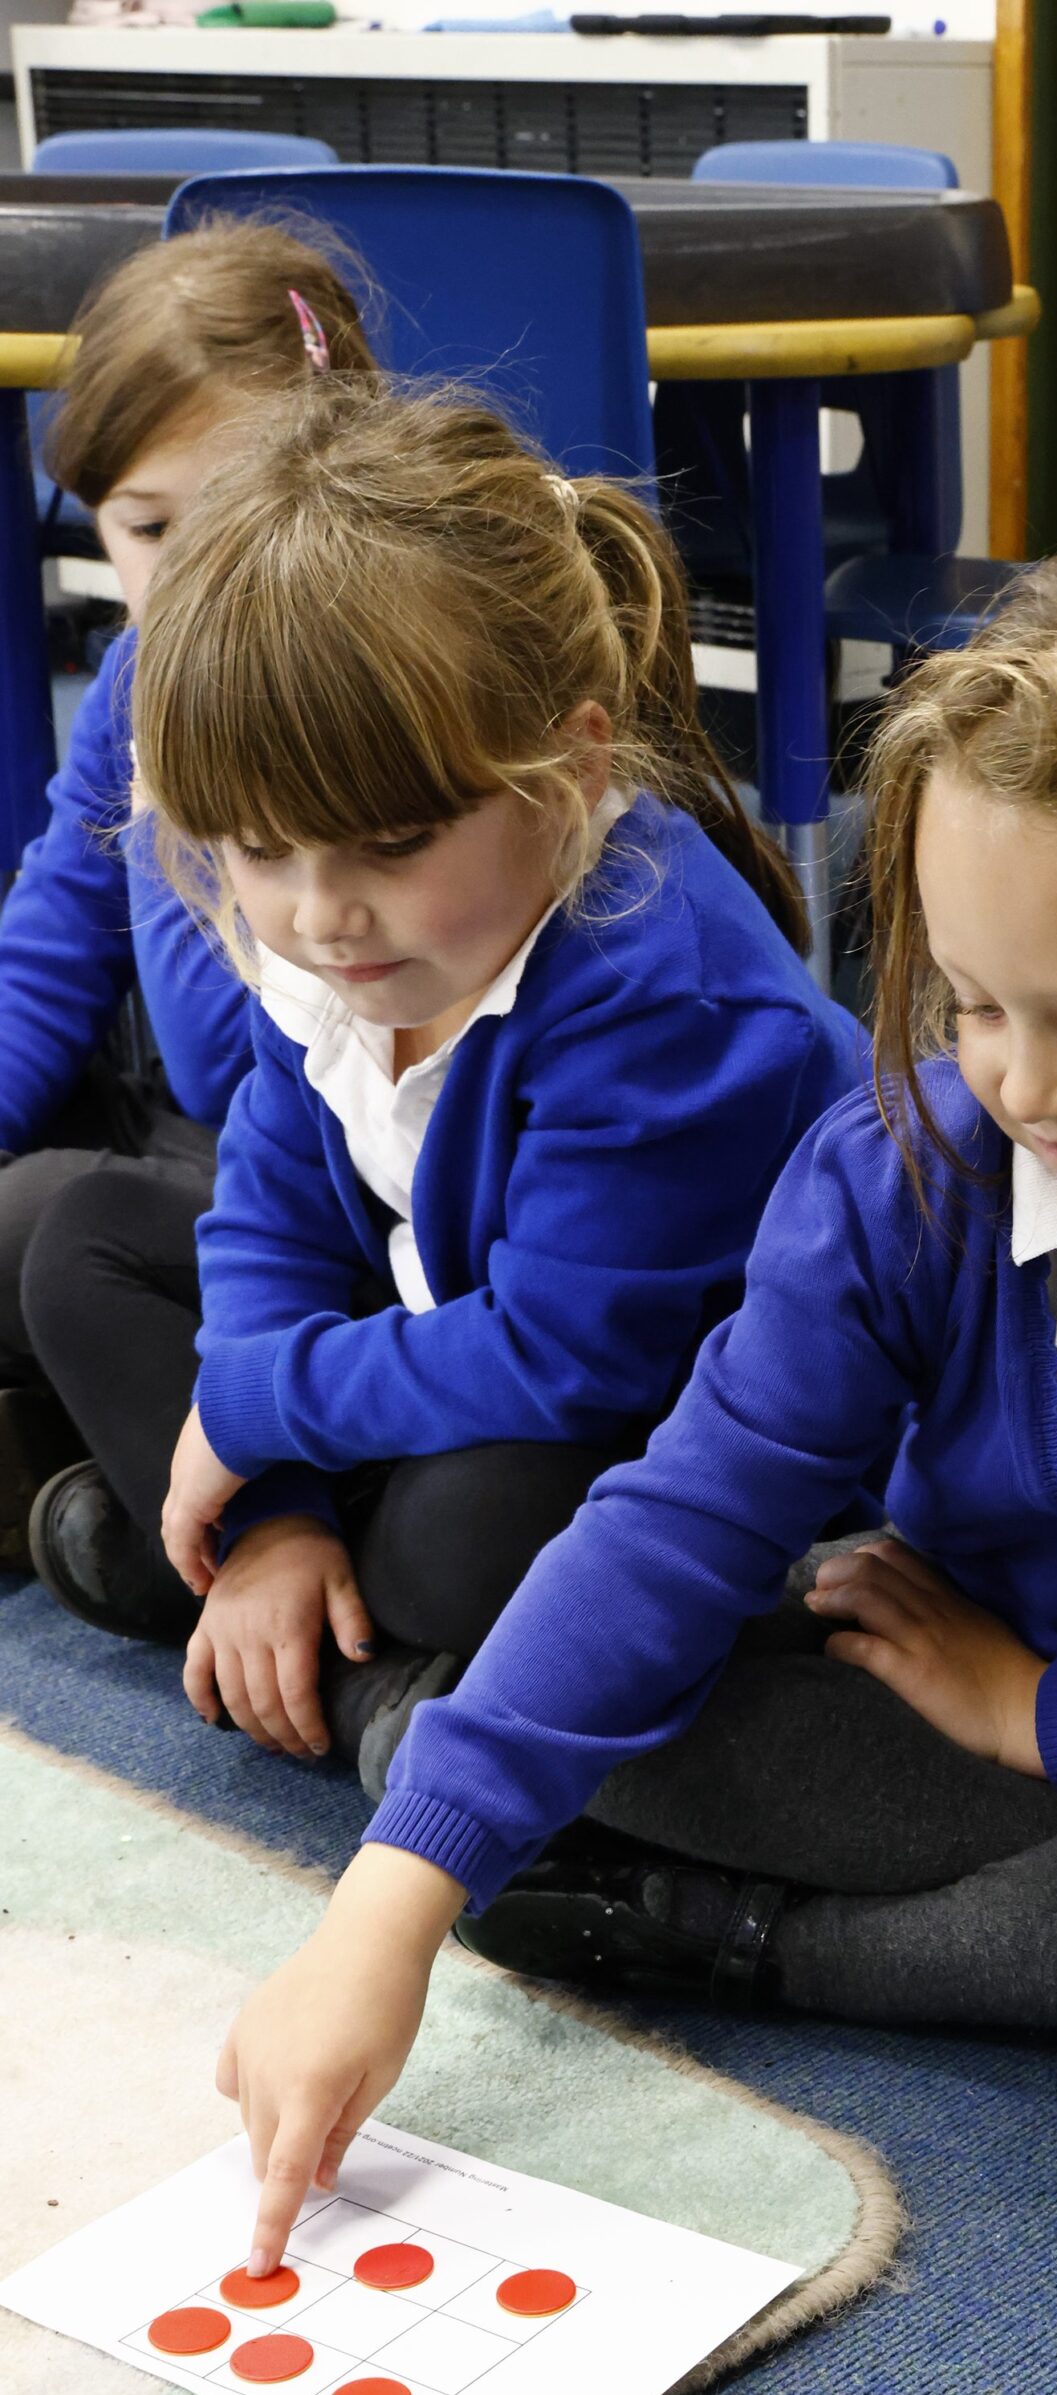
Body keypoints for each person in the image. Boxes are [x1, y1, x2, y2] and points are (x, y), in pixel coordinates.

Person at [208, 506, 1057, 2271]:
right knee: (628, 1675)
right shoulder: (899, 1163)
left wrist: (1045, 1716)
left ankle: (778, 1951)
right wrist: (385, 1909)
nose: (1022, 1089)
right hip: (931, 1713)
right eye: (970, 1005)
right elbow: (686, 1519)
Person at [26, 377, 866, 1769]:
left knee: (474, 1535)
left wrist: (252, 1407)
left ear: (568, 771)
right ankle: (288, 1590)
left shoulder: (667, 993)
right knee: (83, 1244)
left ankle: (309, 1633)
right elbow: (272, 1215)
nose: (318, 915)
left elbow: (569, 1357)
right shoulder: (344, 940)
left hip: (650, 1413)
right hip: (454, 1331)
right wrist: (275, 1505)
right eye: (258, 850)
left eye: (393, 844)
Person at [0, 219, 376, 1561]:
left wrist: (169, 800)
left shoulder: (356, 688)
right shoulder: (130, 674)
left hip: (311, 1187)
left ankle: (213, 1505)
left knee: (58, 1236)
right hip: (181, 1150)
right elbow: (51, 941)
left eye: (231, 520)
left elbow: (231, 1068)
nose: (186, 575)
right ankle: (116, 1467)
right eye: (148, 528)